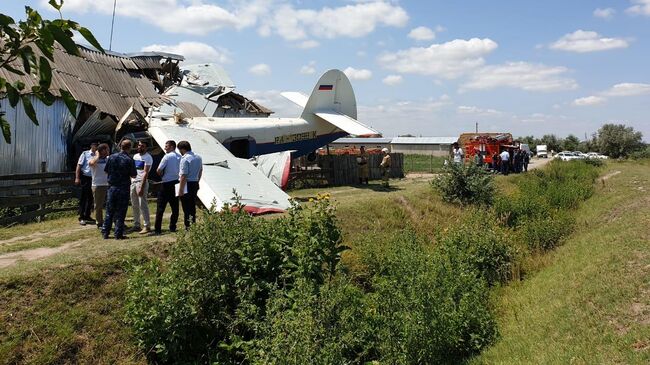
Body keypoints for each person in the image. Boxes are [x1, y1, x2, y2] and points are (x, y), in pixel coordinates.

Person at [103, 140, 137, 240]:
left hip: (112, 187)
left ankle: (105, 232)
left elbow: (106, 171)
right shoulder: (129, 160)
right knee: (121, 212)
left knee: (109, 211)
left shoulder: (112, 157)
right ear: (129, 147)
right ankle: (118, 233)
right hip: (123, 188)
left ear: (120, 146)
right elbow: (133, 174)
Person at [154, 140, 181, 235]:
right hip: (176, 182)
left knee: (160, 207)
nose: (165, 148)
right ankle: (172, 226)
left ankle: (157, 229)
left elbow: (159, 170)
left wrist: (162, 176)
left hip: (166, 183)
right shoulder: (180, 157)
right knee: (175, 207)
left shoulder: (167, 156)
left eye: (167, 146)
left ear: (172, 147)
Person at [177, 140, 203, 230]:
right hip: (195, 182)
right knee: (192, 205)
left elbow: (184, 175)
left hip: (186, 183)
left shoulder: (185, 158)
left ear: (182, 149)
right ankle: (193, 223)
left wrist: (180, 189)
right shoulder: (198, 157)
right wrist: (197, 180)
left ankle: (188, 226)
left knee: (186, 206)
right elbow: (200, 170)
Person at [130, 140, 153, 234]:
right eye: (139, 145)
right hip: (133, 182)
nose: (140, 147)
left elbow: (145, 173)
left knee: (142, 205)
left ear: (146, 147)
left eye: (142, 146)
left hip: (141, 182)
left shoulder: (148, 157)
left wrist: (141, 187)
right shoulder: (135, 156)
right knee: (134, 204)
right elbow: (132, 169)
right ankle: (136, 224)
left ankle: (147, 225)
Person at [75, 142, 97, 225]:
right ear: (91, 145)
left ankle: (87, 215)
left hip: (94, 178)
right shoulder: (85, 154)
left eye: (97, 145)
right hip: (86, 177)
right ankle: (81, 216)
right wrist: (77, 177)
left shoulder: (98, 155)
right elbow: (79, 166)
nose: (96, 146)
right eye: (95, 145)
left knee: (91, 197)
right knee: (84, 197)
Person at [88, 143, 110, 229]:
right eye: (106, 149)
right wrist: (97, 155)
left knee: (111, 204)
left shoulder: (108, 159)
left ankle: (113, 221)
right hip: (98, 185)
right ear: (102, 150)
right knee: (98, 205)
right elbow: (91, 163)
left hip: (108, 184)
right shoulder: (93, 159)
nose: (108, 151)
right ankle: (99, 222)